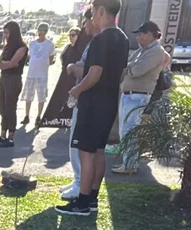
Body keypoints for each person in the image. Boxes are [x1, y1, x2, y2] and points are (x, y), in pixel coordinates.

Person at [56, 0, 129, 216]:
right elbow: (122, 73)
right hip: (109, 103)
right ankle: (93, 198)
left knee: (85, 153)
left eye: (93, 13)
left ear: (100, 11)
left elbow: (94, 74)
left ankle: (82, 203)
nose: (92, 18)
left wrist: (76, 90)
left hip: (92, 104)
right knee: (98, 151)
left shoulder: (101, 39)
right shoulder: (123, 38)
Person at [112, 21, 171, 175]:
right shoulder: (142, 51)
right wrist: (129, 67)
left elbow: (137, 70)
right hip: (128, 94)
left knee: (130, 131)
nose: (138, 37)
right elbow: (127, 64)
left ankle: (130, 164)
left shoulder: (156, 51)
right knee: (124, 131)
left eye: (140, 34)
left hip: (139, 96)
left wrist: (128, 68)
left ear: (150, 34)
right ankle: (127, 162)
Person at [51, 10, 95, 200]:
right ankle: (77, 179)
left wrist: (73, 68)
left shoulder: (100, 42)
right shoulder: (91, 42)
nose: (84, 26)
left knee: (82, 145)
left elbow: (91, 70)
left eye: (86, 22)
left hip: (87, 99)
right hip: (81, 97)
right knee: (75, 142)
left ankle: (80, 184)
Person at [0, 21, 29, 148]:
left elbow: (13, 63)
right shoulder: (7, 47)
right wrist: (6, 64)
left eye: (7, 32)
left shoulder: (22, 47)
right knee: (2, 107)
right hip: (3, 78)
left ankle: (11, 137)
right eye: (4, 32)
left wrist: (6, 64)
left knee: (10, 108)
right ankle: (2, 136)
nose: (5, 35)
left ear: (13, 32)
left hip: (14, 79)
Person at [22, 23, 56, 127]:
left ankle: (38, 116)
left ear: (46, 32)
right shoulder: (32, 44)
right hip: (31, 73)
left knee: (41, 97)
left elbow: (51, 59)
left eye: (43, 30)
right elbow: (30, 56)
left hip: (42, 74)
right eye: (40, 30)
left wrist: (46, 63)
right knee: (28, 96)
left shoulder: (50, 44)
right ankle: (26, 116)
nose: (41, 32)